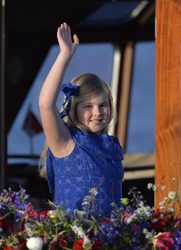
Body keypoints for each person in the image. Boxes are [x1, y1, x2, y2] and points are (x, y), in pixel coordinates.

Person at [39, 22, 124, 217]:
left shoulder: (111, 146)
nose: (98, 112)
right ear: (73, 109)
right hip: (74, 242)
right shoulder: (65, 142)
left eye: (103, 105)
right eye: (88, 106)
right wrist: (64, 56)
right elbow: (45, 104)